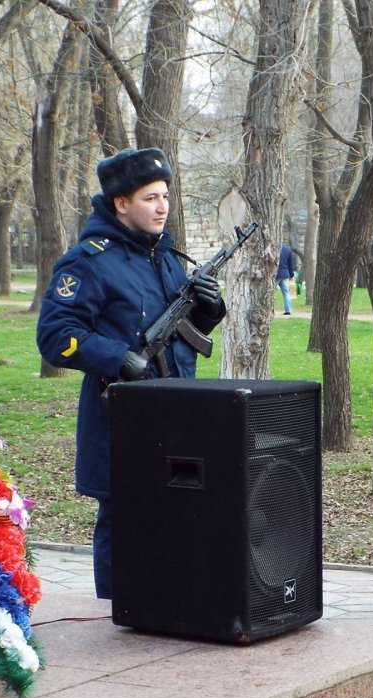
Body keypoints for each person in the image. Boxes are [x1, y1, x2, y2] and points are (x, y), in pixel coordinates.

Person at [36, 147, 225, 600]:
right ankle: (119, 618)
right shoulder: (88, 262)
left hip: (179, 411)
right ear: (121, 203)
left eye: (165, 196)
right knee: (123, 520)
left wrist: (209, 312)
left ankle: (172, 607)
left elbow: (182, 336)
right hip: (122, 417)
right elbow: (56, 335)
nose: (162, 207)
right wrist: (117, 358)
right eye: (149, 198)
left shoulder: (165, 257)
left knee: (179, 516)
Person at [276, 243, 296, 315]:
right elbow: (290, 263)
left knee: (270, 293)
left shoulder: (273, 247)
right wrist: (291, 274)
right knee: (286, 293)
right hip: (285, 273)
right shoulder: (287, 249)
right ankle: (288, 310)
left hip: (276, 274)